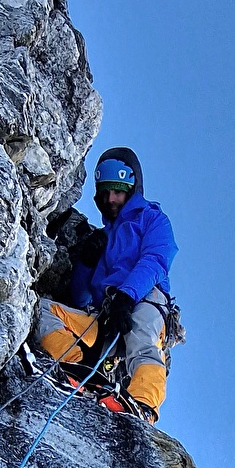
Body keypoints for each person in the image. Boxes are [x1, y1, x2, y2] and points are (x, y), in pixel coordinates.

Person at [36, 147, 177, 422]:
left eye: (118, 190)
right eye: (105, 192)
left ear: (132, 188)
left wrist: (126, 296)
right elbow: (79, 298)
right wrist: (87, 263)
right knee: (42, 311)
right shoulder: (104, 239)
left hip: (146, 298)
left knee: (142, 340)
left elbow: (156, 260)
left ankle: (143, 405)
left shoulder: (152, 219)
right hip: (107, 316)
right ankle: (74, 368)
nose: (111, 199)